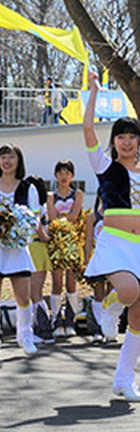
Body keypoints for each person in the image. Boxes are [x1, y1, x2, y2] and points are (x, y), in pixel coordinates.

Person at [83, 71, 140, 402]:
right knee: (126, 291)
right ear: (114, 141)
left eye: (131, 136)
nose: (126, 141)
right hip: (115, 242)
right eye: (120, 136)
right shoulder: (104, 165)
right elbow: (88, 129)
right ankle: (107, 307)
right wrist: (94, 91)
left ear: (139, 140)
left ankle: (125, 378)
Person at [0, 144, 42, 356]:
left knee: (23, 296)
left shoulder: (28, 188)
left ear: (19, 161)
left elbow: (35, 219)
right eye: (3, 157)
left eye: (11, 157)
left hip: (17, 250)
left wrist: (22, 228)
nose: (6, 161)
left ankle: (25, 336)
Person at [47, 160, 84, 337]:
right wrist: (64, 217)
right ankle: (56, 321)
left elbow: (75, 216)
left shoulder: (78, 194)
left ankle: (71, 320)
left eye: (67, 173)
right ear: (56, 175)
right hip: (56, 243)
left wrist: (65, 217)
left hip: (73, 242)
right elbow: (53, 218)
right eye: (60, 173)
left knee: (71, 282)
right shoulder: (50, 196)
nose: (63, 176)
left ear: (72, 176)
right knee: (56, 282)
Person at [28, 175, 55, 345]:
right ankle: (41, 329)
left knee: (35, 293)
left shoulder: (36, 207)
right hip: (39, 250)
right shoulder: (43, 206)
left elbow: (38, 227)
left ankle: (44, 331)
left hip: (35, 248)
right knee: (34, 293)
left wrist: (44, 236)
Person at [84, 195, 108, 343]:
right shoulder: (93, 216)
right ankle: (98, 327)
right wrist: (87, 259)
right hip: (97, 256)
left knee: (112, 293)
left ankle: (109, 325)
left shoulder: (117, 216)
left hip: (114, 257)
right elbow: (88, 240)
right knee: (98, 292)